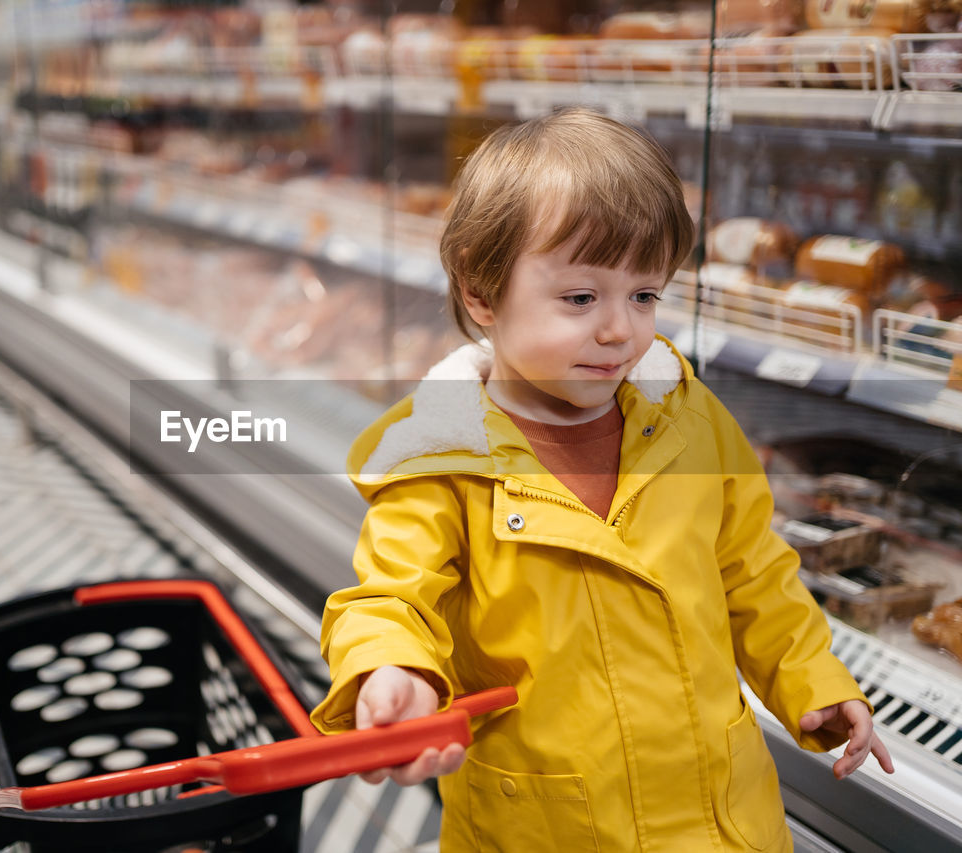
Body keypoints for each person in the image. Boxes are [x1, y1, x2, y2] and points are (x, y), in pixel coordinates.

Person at [309, 108, 894, 852]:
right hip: (549, 826)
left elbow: (752, 574)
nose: (621, 329)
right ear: (482, 292)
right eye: (581, 299)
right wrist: (390, 668)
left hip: (721, 818)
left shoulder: (688, 418)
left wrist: (813, 680)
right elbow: (389, 597)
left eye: (645, 294)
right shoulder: (440, 461)